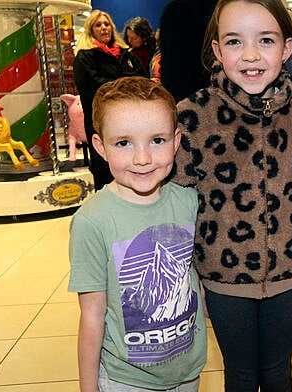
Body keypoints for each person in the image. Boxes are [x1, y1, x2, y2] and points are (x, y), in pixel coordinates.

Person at [172, 0, 292, 390]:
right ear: (217, 51)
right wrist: (192, 281)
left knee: (278, 372)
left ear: (288, 48)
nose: (252, 55)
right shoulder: (192, 115)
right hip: (223, 279)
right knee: (239, 374)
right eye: (235, 42)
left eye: (266, 40)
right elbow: (178, 209)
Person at [68, 76, 207, 392]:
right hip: (126, 380)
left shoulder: (188, 201)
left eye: (157, 140)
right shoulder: (92, 221)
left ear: (176, 140)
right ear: (100, 147)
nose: (142, 158)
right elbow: (92, 316)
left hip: (187, 371)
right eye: (124, 143)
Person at [74, 10, 145, 190]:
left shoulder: (125, 54)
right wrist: (124, 85)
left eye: (106, 24)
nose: (103, 28)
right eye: (98, 25)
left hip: (132, 119)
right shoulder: (85, 56)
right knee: (105, 165)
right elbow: (92, 87)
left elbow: (142, 77)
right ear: (91, 30)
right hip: (102, 122)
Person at [159, 0, 218, 102]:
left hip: (181, 96)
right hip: (215, 94)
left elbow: (168, 65)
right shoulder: (221, 8)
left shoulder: (173, 10)